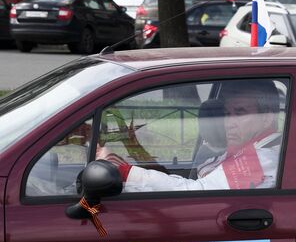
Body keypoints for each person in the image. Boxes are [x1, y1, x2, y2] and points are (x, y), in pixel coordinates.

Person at [97, 80, 281, 192]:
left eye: (240, 113)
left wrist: (124, 172)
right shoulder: (243, 150)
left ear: (266, 118)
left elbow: (198, 191)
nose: (228, 122)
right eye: (226, 113)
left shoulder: (263, 159)